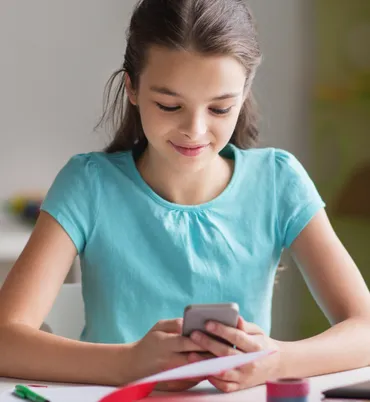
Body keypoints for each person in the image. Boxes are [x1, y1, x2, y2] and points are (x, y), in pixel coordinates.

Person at [0, 0, 369, 394]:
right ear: (132, 87)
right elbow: (6, 339)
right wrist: (128, 363)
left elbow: (364, 328)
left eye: (220, 108)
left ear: (244, 94)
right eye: (169, 105)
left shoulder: (278, 181)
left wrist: (274, 359)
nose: (195, 130)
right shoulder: (88, 184)